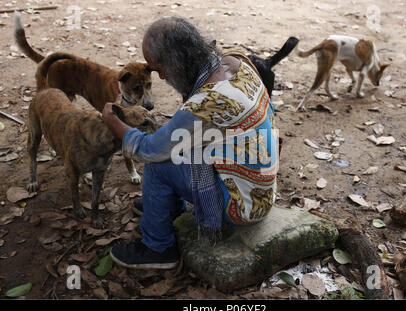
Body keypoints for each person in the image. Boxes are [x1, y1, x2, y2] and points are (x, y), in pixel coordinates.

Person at [101, 16, 279, 270]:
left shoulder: (206, 103)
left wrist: (113, 122)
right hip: (261, 191)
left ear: (175, 60)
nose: (161, 76)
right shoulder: (238, 62)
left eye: (159, 67)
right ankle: (166, 206)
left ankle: (157, 248)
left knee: (158, 164)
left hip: (242, 206)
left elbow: (149, 150)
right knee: (180, 146)